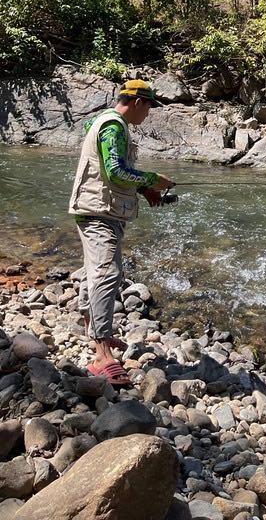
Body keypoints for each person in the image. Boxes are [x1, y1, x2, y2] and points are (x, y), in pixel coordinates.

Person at [67, 79, 175, 385]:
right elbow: (115, 171)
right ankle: (102, 355)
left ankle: (95, 332)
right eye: (150, 106)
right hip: (98, 211)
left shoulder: (102, 120)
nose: (150, 113)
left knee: (94, 272)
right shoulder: (114, 126)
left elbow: (107, 167)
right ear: (138, 102)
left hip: (94, 208)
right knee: (107, 274)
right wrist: (155, 179)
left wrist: (145, 190)